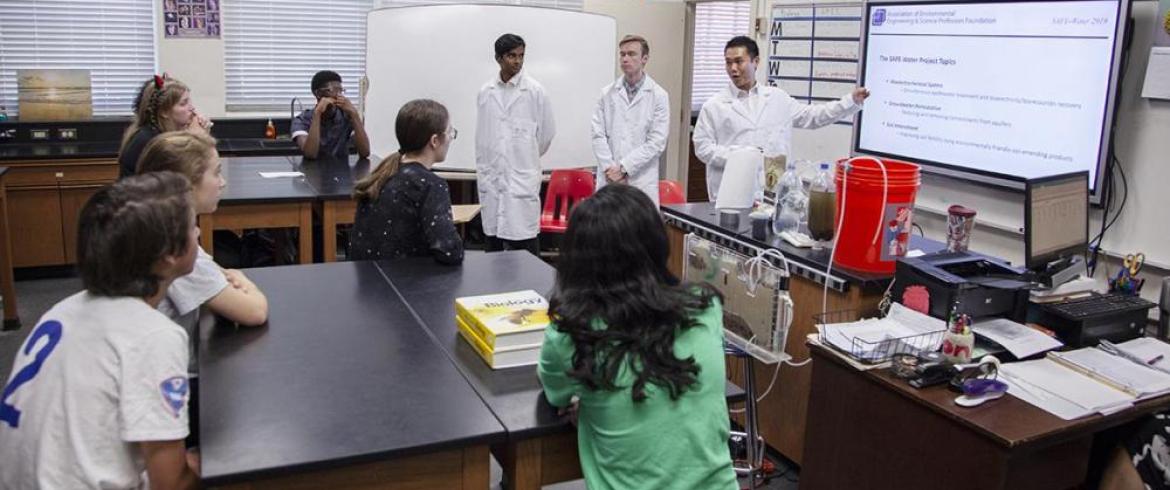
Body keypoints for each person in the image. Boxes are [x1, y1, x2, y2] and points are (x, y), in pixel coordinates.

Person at [0, 172, 202, 489]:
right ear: (168, 255)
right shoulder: (153, 335)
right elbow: (171, 483)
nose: (199, 231)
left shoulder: (62, 310)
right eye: (193, 226)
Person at [537, 184, 738, 490]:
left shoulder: (571, 333)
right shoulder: (704, 307)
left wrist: (592, 402)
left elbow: (556, 396)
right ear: (657, 245)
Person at [136, 132, 270, 446]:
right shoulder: (178, 254)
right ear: (186, 185)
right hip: (178, 385)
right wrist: (245, 280)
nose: (222, 183)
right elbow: (254, 311)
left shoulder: (160, 232)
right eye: (216, 173)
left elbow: (217, 274)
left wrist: (226, 277)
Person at [693, 36, 869, 201]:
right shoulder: (714, 105)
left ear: (755, 62)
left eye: (739, 61)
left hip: (771, 191)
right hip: (730, 192)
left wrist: (850, 102)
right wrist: (739, 156)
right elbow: (702, 147)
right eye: (728, 62)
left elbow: (813, 116)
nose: (733, 69)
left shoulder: (777, 98)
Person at [351, 99, 464, 265]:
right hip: (409, 283)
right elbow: (449, 251)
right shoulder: (430, 185)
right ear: (434, 141)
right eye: (449, 132)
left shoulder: (383, 174)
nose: (451, 138)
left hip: (370, 282)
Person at [476, 33, 556, 256]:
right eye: (512, 56)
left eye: (521, 55)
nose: (518, 61)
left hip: (521, 178)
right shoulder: (486, 93)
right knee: (492, 247)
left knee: (526, 249)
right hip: (493, 179)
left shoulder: (535, 92)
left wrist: (524, 157)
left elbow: (546, 135)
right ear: (498, 58)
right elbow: (482, 138)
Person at [590, 34, 670, 206]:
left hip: (640, 181)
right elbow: (598, 135)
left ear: (644, 59)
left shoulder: (659, 96)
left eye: (631, 54)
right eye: (622, 54)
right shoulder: (607, 93)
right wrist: (610, 169)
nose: (625, 59)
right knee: (606, 230)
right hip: (609, 179)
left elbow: (656, 142)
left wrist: (624, 168)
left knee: (638, 230)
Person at [118, 75, 211, 178]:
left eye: (189, 101)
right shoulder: (149, 141)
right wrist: (196, 138)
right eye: (183, 103)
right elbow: (187, 177)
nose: (192, 108)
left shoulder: (160, 132)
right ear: (164, 112)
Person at [292, 70, 371, 160]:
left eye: (340, 91)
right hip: (313, 171)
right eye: (333, 90)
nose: (338, 95)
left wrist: (354, 114)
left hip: (341, 171)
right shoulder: (301, 120)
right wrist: (317, 114)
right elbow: (310, 154)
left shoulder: (345, 116)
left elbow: (365, 152)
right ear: (318, 93)